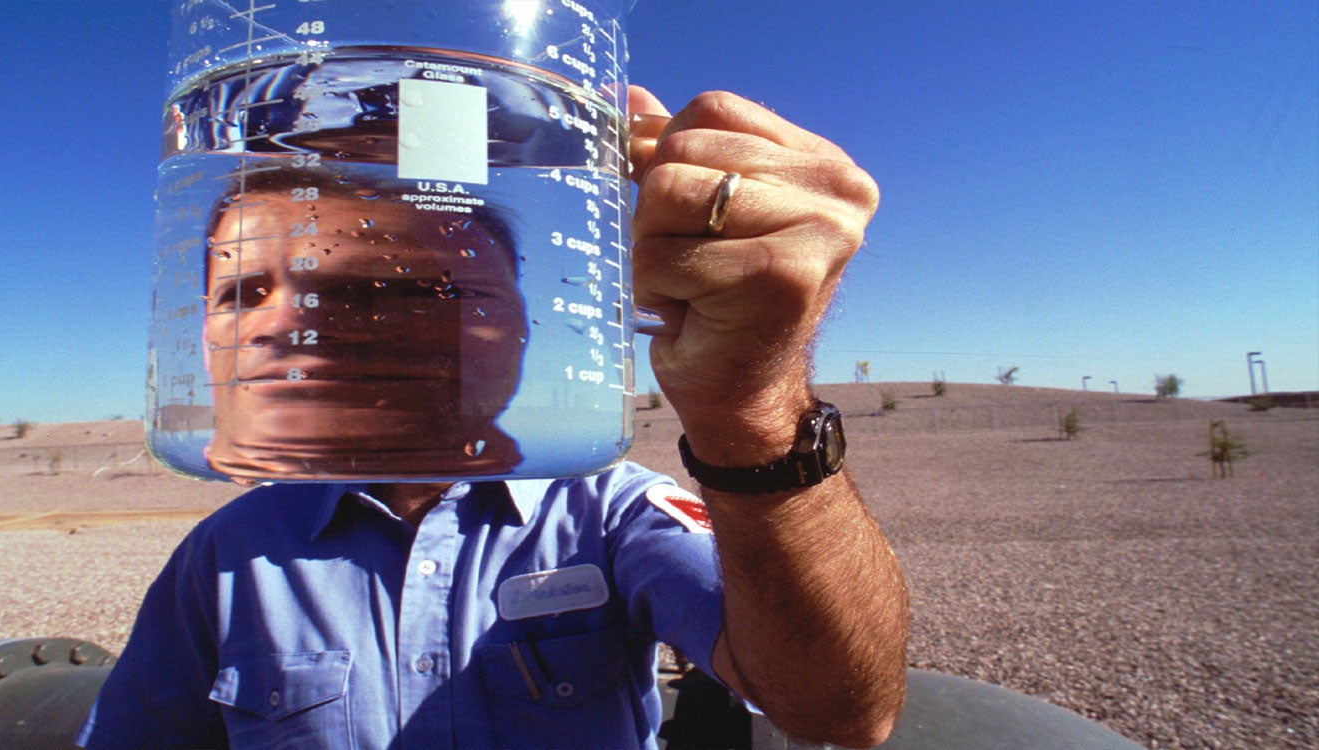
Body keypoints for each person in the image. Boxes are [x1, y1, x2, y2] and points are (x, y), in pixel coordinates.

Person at [78, 86, 908, 749]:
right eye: (239, 291)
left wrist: (750, 408)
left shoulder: (606, 512)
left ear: (510, 332)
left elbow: (835, 710)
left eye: (383, 289)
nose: (268, 323)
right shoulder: (226, 557)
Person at [200, 172, 527, 477]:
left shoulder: (573, 529)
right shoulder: (223, 539)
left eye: (386, 289)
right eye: (240, 296)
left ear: (518, 328)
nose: (283, 323)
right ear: (205, 338)